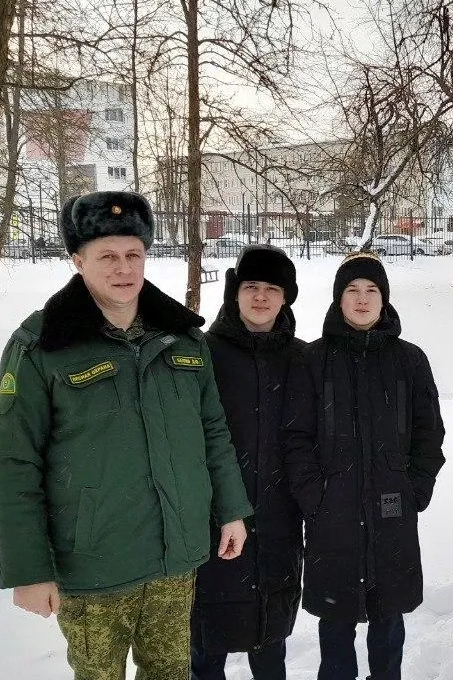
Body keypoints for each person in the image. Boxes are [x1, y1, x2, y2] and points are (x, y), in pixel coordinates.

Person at [0, 191, 253, 680]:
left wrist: (231, 510)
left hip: (175, 559)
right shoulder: (42, 345)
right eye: (107, 256)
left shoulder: (183, 337)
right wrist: (29, 570)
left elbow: (212, 431)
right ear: (78, 260)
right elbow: (14, 462)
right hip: (93, 568)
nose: (123, 268)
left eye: (134, 254)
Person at [285, 252, 446, 680]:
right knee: (335, 625)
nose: (362, 299)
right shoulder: (313, 360)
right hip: (331, 517)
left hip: (392, 512)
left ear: (384, 300)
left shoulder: (410, 361)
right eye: (352, 291)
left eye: (371, 290)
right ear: (338, 300)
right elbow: (295, 438)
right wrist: (314, 495)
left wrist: (414, 488)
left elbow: (429, 435)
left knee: (388, 621)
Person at [190, 245, 306, 680]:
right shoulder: (202, 353)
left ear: (286, 297)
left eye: (272, 288)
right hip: (214, 519)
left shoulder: (301, 357)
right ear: (234, 292)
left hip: (279, 517)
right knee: (205, 640)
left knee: (270, 636)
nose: (260, 297)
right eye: (251, 286)